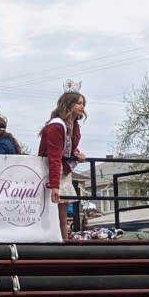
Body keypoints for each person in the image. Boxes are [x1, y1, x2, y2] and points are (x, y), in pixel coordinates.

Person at [38, 91, 87, 241]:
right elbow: (54, 156)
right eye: (79, 103)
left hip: (62, 171)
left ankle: (64, 243)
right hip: (51, 172)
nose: (82, 107)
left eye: (83, 104)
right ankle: (60, 245)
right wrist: (54, 185)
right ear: (69, 105)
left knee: (63, 216)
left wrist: (76, 154)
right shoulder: (56, 126)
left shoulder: (73, 125)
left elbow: (68, 150)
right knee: (55, 214)